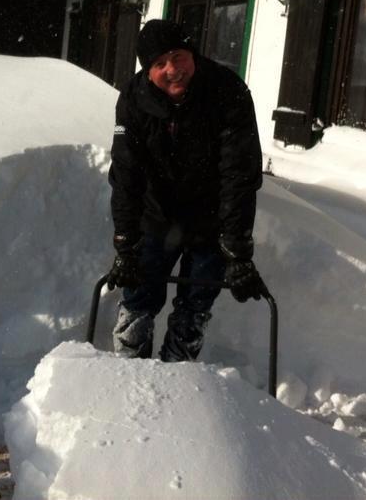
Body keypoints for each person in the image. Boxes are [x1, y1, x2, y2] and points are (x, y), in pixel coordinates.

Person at [106, 18, 266, 362]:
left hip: (211, 218)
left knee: (195, 306)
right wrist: (126, 245)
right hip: (156, 215)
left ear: (193, 55)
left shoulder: (227, 92)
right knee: (137, 298)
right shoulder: (134, 99)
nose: (173, 69)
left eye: (178, 57)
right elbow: (126, 174)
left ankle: (177, 375)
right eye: (160, 63)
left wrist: (237, 250)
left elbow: (239, 175)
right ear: (148, 70)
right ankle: (126, 370)